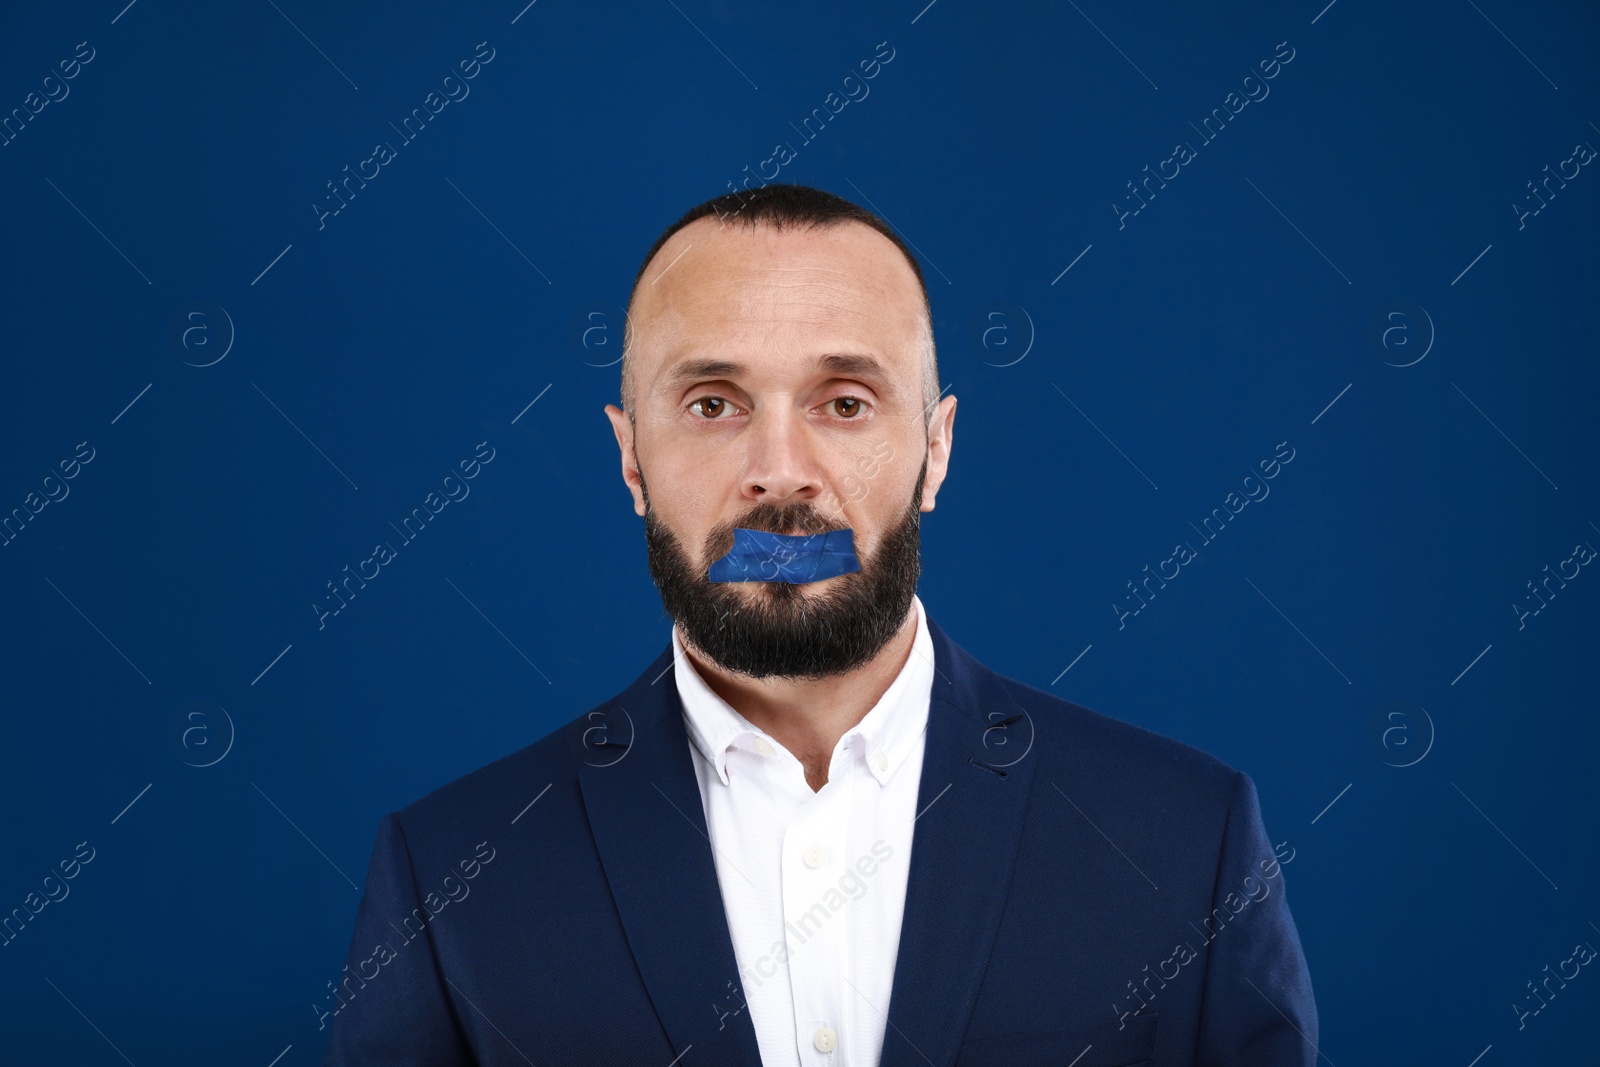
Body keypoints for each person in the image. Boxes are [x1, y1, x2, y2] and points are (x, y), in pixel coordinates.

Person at [321, 182, 1318, 1066]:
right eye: (712, 404)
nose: (781, 469)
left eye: (844, 402)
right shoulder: (449, 874)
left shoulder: (1187, 842)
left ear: (935, 448)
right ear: (630, 461)